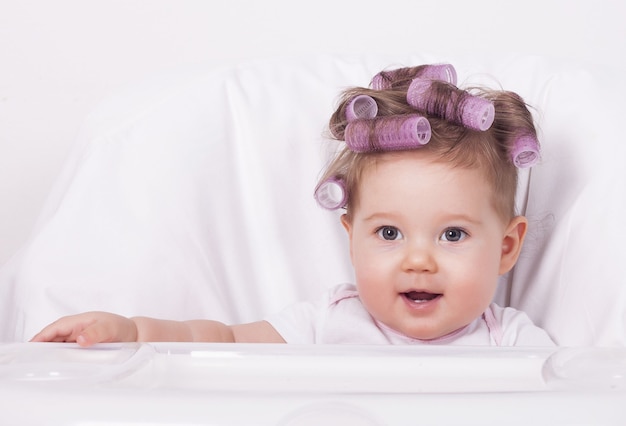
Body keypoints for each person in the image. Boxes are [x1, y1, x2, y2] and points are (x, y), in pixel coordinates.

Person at [31, 63, 555, 347]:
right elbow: (221, 338)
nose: (418, 261)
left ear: (507, 246)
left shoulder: (510, 343)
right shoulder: (330, 324)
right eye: (389, 234)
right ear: (351, 235)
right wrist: (133, 331)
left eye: (453, 235)